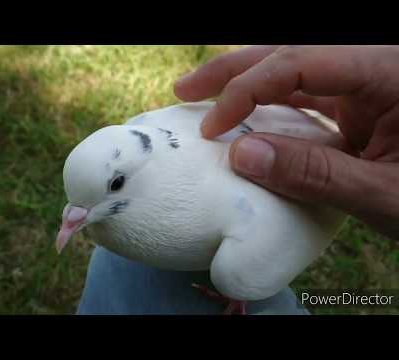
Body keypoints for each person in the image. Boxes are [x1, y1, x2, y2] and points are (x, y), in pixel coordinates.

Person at [77, 46, 399, 315]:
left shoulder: (237, 263)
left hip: (319, 145)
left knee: (236, 277)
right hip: (288, 116)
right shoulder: (137, 130)